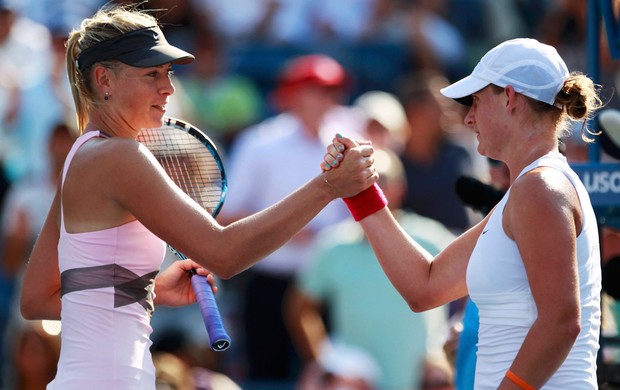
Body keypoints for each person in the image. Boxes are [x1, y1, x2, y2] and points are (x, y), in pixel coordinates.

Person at [18, 4, 378, 389]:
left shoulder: (81, 155)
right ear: (104, 79)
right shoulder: (121, 155)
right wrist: (328, 186)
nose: (169, 88)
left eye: (168, 73)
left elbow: (37, 298)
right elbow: (224, 254)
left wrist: (148, 291)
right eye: (152, 74)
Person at [323, 37, 603, 389]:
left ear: (510, 98)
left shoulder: (540, 187)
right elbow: (424, 287)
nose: (468, 117)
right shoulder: (527, 192)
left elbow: (561, 321)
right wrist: (362, 192)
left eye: (476, 100)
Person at [218, 53, 365, 387]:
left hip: (330, 286)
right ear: (292, 94)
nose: (327, 98)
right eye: (316, 89)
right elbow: (227, 215)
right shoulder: (260, 143)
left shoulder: (350, 136)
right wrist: (286, 227)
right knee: (267, 378)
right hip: (271, 284)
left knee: (333, 380)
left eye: (332, 90)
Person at [285, 148, 455, 389]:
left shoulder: (432, 238)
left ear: (400, 189)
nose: (369, 189)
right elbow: (301, 309)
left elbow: (474, 292)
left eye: (378, 180)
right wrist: (329, 365)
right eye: (361, 182)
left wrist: (444, 354)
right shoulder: (333, 246)